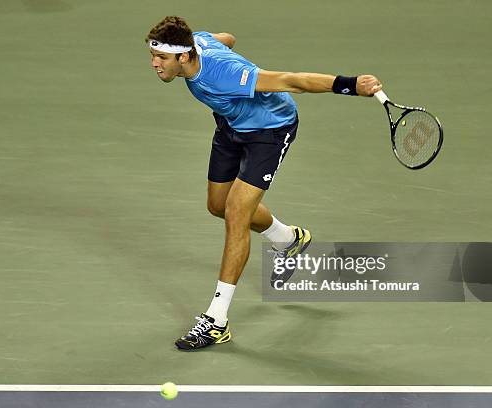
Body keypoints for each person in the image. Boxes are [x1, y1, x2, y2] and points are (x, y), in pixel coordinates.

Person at [145, 16, 382, 351]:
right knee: (217, 205)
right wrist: (220, 45)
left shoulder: (223, 76)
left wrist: (349, 84)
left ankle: (216, 320)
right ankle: (288, 240)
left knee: (236, 214)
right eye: (153, 56)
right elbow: (226, 37)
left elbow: (292, 81)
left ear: (184, 57)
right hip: (231, 125)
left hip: (270, 131)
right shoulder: (197, 42)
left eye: (161, 58)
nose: (155, 64)